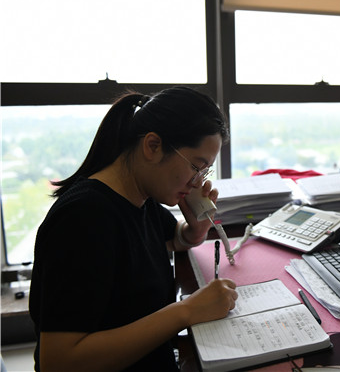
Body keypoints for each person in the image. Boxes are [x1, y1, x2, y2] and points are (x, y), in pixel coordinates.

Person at [29, 86, 238, 371]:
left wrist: (195, 231)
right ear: (153, 146)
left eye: (204, 172)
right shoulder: (83, 218)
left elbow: (167, 239)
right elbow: (58, 362)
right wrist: (186, 311)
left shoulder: (139, 197)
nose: (197, 182)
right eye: (196, 166)